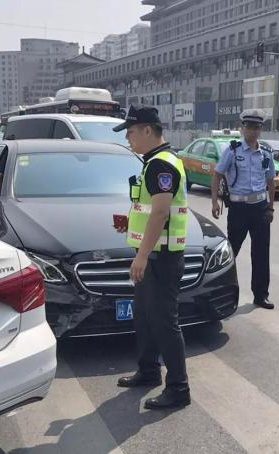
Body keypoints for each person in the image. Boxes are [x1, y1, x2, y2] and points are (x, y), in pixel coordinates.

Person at [113, 104, 191, 410]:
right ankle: (148, 371)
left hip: (161, 259)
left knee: (164, 323)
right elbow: (150, 211)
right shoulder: (155, 162)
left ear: (148, 130)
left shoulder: (161, 164)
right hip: (154, 255)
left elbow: (160, 212)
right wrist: (131, 223)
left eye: (131, 132)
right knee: (145, 318)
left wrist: (142, 256)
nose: (128, 138)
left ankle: (179, 388)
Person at [211, 109, 276, 310]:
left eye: (257, 127)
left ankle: (260, 295)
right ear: (242, 128)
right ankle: (220, 294)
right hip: (238, 209)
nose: (253, 131)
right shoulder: (232, 151)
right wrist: (214, 202)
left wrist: (271, 208)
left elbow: (271, 181)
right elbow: (217, 174)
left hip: (260, 209)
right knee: (230, 253)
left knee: (261, 253)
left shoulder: (265, 153)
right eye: (250, 127)